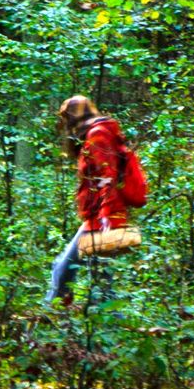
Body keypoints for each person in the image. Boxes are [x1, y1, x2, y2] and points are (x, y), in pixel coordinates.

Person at [44, 95, 132, 307]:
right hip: (100, 217)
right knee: (98, 279)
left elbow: (106, 177)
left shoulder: (98, 136)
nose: (65, 124)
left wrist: (105, 218)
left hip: (103, 218)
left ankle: (53, 317)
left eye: (67, 117)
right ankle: (64, 318)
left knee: (69, 270)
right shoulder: (96, 134)